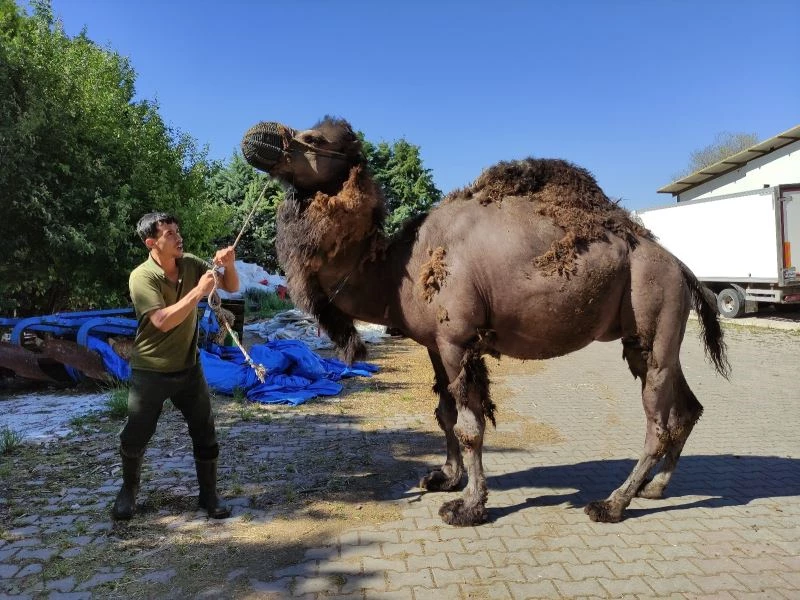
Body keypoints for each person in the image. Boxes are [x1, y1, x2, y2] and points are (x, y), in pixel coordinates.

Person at [111, 212, 239, 521]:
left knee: (205, 431)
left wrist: (229, 263)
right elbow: (162, 321)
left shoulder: (191, 264)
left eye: (177, 230)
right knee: (136, 434)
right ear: (151, 243)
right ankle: (128, 490)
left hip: (188, 367)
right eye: (169, 233)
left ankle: (208, 495)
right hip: (151, 370)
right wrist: (198, 292)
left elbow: (231, 287)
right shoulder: (142, 277)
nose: (178, 236)